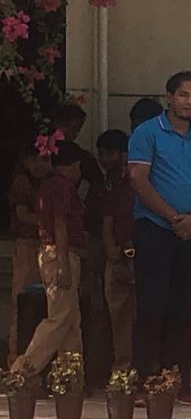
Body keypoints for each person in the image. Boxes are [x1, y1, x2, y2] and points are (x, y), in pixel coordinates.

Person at [128, 70, 191, 390]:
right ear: (169, 97)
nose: (190, 102)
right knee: (151, 304)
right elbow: (138, 179)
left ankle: (174, 377)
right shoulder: (147, 132)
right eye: (183, 95)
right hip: (154, 228)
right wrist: (172, 217)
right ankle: (146, 377)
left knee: (183, 307)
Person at [9, 142, 86, 377]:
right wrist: (63, 263)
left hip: (55, 252)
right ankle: (22, 372)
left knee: (70, 321)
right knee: (59, 319)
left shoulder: (46, 186)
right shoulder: (61, 186)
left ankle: (70, 377)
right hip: (60, 253)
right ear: (73, 166)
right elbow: (59, 224)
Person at [95, 129, 135, 371]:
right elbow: (107, 220)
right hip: (117, 255)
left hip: (143, 253)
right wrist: (110, 247)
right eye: (101, 154)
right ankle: (122, 367)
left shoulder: (149, 184)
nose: (104, 159)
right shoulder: (112, 185)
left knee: (145, 312)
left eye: (109, 153)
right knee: (117, 314)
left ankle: (148, 367)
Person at [6, 145, 50, 365]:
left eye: (43, 160)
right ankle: (16, 358)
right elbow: (22, 215)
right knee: (22, 299)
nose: (38, 165)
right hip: (27, 245)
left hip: (46, 245)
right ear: (25, 161)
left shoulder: (50, 182)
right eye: (33, 160)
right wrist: (49, 222)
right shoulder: (22, 182)